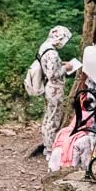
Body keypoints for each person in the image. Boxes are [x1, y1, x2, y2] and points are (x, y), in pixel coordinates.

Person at [36, 26, 77, 158]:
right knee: (54, 119)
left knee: (48, 117)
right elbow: (53, 74)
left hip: (48, 87)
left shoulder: (45, 47)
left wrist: (61, 64)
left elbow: (48, 65)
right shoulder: (53, 53)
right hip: (54, 88)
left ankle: (46, 146)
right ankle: (50, 150)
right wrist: (67, 67)